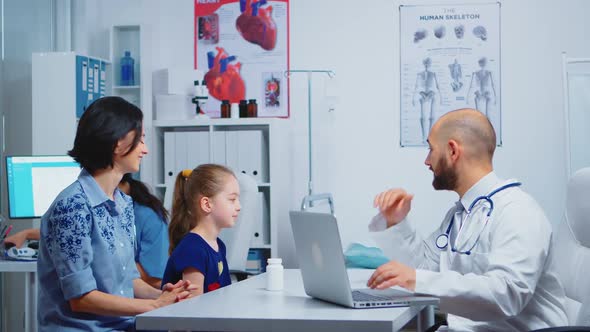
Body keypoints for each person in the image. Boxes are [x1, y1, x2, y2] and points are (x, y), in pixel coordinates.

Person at [367, 108, 568, 330]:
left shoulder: (518, 212)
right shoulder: (461, 214)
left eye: (431, 149)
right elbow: (425, 268)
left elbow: (507, 294)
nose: (427, 161)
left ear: (452, 151)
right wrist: (397, 222)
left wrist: (415, 279)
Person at [37, 96, 194, 331]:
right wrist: (154, 306)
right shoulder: (73, 207)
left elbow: (128, 281)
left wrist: (164, 296)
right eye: (140, 140)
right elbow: (81, 299)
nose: (145, 149)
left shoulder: (122, 203)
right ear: (117, 143)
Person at [5, 174, 170, 289]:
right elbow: (76, 230)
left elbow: (151, 275)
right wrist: (26, 233)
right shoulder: (75, 205)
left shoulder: (140, 213)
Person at [162, 164, 240, 296]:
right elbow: (194, 309)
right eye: (232, 199)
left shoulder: (219, 246)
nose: (239, 206)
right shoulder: (193, 250)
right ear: (206, 204)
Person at [413, 57, 442, 143]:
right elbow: (416, 86)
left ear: (430, 64)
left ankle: (430, 137)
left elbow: (437, 86)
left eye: (428, 63)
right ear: (423, 64)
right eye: (425, 63)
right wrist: (414, 97)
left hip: (431, 94)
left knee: (432, 116)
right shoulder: (419, 74)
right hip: (422, 95)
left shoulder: (433, 74)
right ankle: (423, 137)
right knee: (423, 117)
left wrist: (440, 97)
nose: (426, 65)